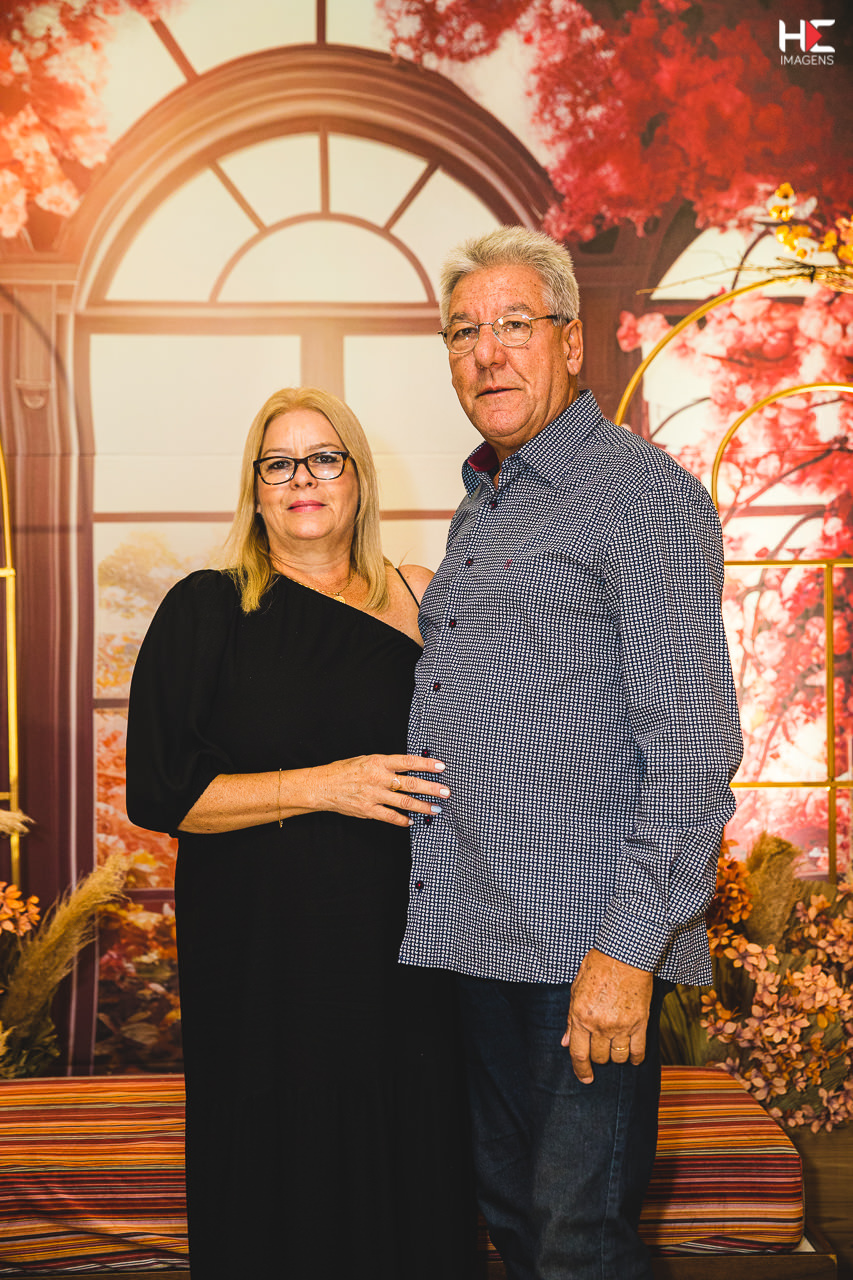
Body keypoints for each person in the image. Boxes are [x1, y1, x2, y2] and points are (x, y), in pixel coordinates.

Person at [400, 227, 744, 1280]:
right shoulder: (481, 504)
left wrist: (628, 952)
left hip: (582, 952)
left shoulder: (639, 493)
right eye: (463, 332)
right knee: (515, 1224)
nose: (487, 352)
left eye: (514, 324)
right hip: (478, 940)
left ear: (570, 340)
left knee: (576, 1242)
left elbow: (692, 746)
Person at [125, 387, 477, 1280]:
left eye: (324, 458)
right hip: (263, 965)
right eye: (278, 464)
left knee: (411, 1166)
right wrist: (327, 785)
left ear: (358, 477)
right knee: (278, 1182)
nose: (302, 480)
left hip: (407, 952)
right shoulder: (205, 609)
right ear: (255, 490)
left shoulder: (419, 596)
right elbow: (162, 794)